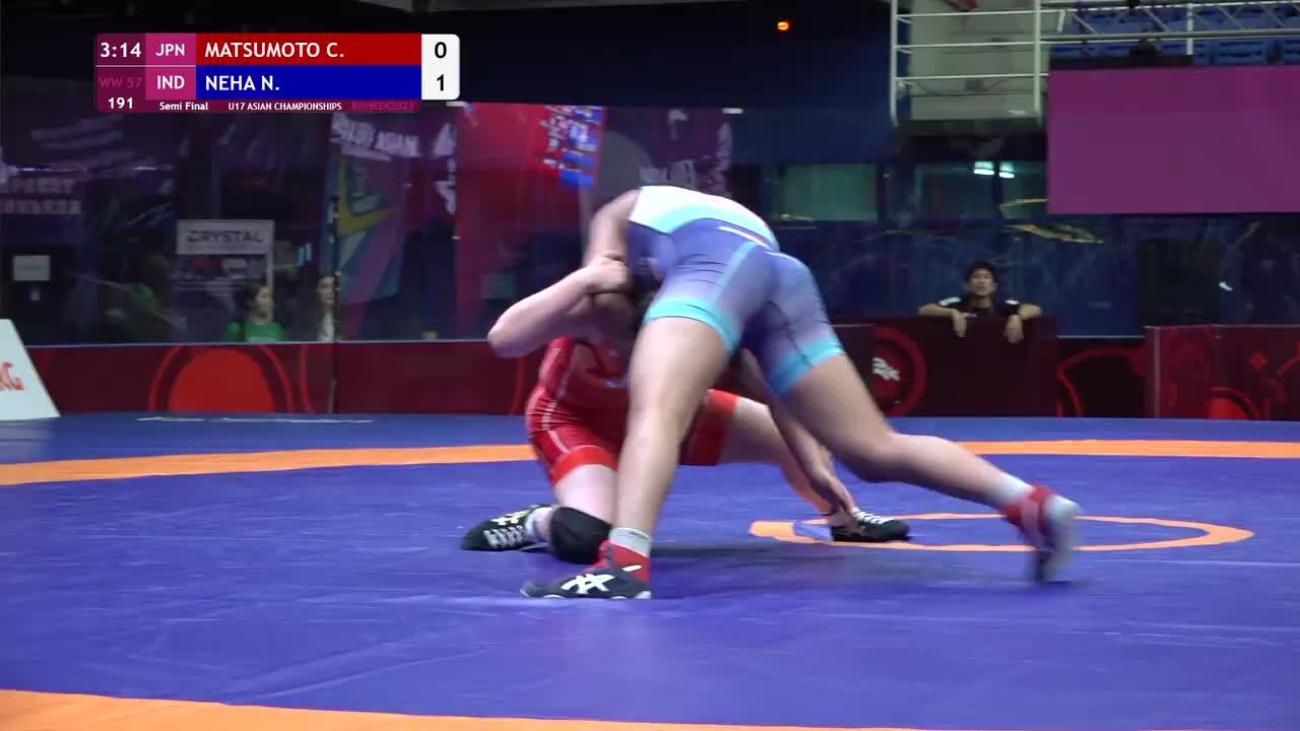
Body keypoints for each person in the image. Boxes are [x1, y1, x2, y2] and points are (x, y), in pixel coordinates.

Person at [522, 186, 1080, 599]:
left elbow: (597, 286)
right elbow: (762, 374)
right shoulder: (687, 229)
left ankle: (622, 565)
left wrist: (593, 284)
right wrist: (811, 461)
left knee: (657, 409)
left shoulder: (619, 225)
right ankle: (1029, 503)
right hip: (781, 274)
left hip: (715, 265)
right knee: (874, 448)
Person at [460, 262, 910, 565]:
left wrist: (812, 465)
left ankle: (845, 520)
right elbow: (503, 339)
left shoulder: (707, 315)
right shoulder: (597, 306)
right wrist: (585, 278)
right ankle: (539, 520)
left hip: (675, 416)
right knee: (586, 537)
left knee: (797, 439)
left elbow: (774, 391)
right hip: (576, 421)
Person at [918, 261, 1042, 343]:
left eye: (986, 277)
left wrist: (1017, 317)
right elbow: (923, 310)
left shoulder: (1003, 305)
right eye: (976, 277)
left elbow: (1035, 309)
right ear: (966, 285)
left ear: (994, 286)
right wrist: (952, 313)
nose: (981, 282)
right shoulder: (957, 302)